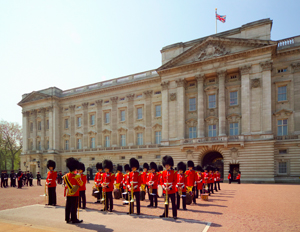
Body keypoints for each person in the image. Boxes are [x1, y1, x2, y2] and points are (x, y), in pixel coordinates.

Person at [64, 157, 83, 224]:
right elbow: (81, 184)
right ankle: (74, 219)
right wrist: (79, 177)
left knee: (68, 206)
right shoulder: (76, 176)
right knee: (73, 207)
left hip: (68, 193)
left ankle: (67, 218)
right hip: (74, 193)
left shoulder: (66, 176)